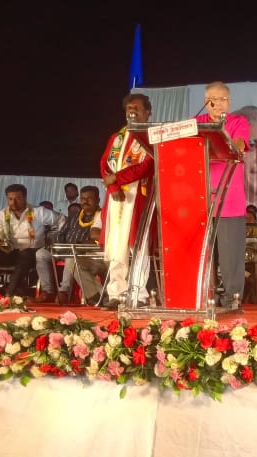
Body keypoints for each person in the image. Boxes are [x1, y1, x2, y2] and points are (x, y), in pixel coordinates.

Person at [195, 81, 251, 309]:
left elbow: (238, 145)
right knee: (203, 257)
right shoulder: (196, 123)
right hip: (199, 198)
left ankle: (231, 301)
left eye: (224, 99)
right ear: (206, 102)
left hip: (229, 198)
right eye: (214, 100)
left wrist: (222, 131)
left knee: (231, 258)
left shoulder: (238, 122)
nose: (220, 104)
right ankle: (200, 299)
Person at [100, 93, 155, 309]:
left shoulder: (151, 135)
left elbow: (147, 166)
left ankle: (138, 294)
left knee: (138, 246)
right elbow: (104, 164)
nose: (132, 110)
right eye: (128, 108)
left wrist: (118, 179)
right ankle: (117, 293)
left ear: (148, 112)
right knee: (117, 246)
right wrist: (113, 186)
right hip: (116, 198)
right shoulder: (117, 137)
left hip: (138, 195)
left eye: (137, 108)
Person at [0, 184, 62, 297]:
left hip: (32, 252)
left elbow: (61, 220)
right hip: (10, 251)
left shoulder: (38, 212)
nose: (13, 202)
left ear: (25, 198)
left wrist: (55, 236)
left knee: (25, 253)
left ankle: (9, 294)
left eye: (18, 198)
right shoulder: (2, 214)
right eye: (10, 199)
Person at [52, 186, 104, 306]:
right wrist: (61, 246)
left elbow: (94, 238)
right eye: (82, 199)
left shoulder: (101, 216)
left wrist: (76, 247)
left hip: (90, 254)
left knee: (72, 257)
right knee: (41, 254)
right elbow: (61, 234)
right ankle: (48, 291)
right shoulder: (74, 216)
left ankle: (65, 291)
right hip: (67, 249)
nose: (85, 202)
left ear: (98, 200)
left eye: (89, 198)